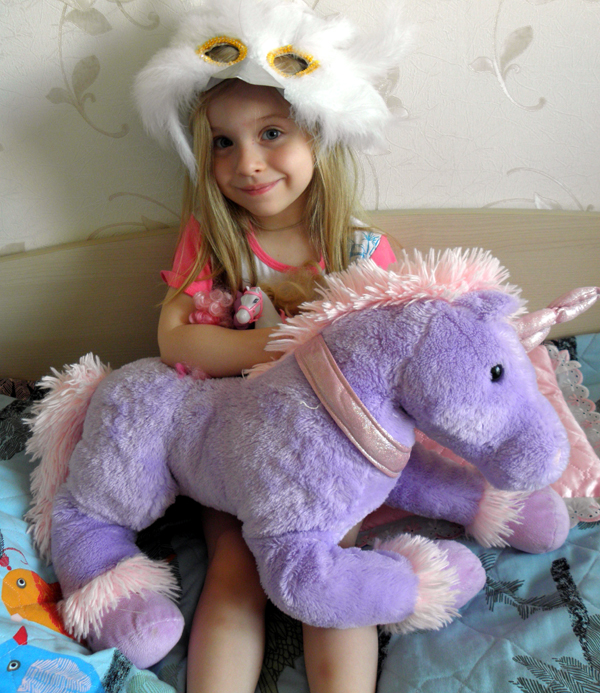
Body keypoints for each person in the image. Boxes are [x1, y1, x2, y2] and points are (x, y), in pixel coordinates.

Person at [134, 2, 412, 691]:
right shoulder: (214, 238)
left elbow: (382, 369)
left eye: (271, 133)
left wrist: (261, 352)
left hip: (325, 451)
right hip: (235, 443)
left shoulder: (360, 251)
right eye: (223, 143)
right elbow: (175, 339)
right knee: (233, 566)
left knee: (330, 560)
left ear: (318, 133)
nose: (248, 163)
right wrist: (293, 344)